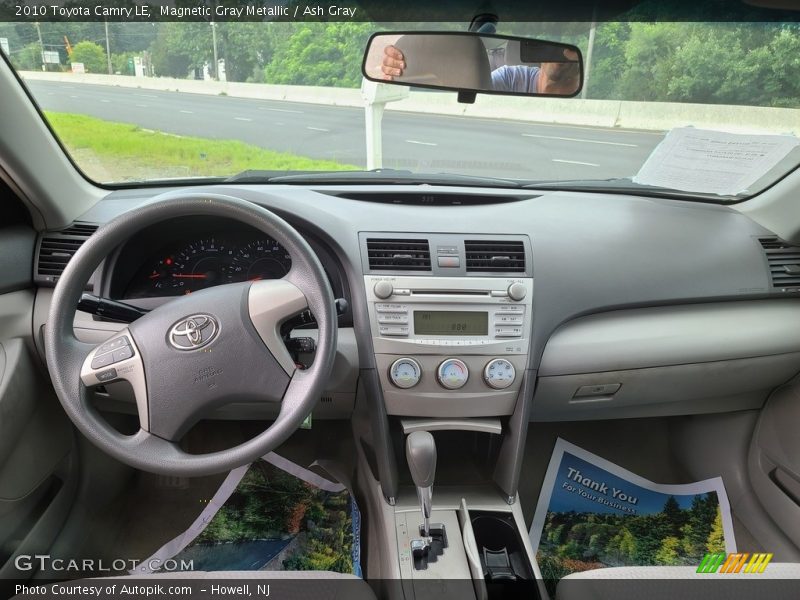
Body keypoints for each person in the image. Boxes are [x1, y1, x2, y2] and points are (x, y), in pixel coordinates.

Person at [380, 44, 580, 95]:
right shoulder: (512, 77)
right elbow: (471, 86)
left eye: (569, 48)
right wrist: (406, 67)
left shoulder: (581, 94)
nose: (560, 53)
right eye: (551, 48)